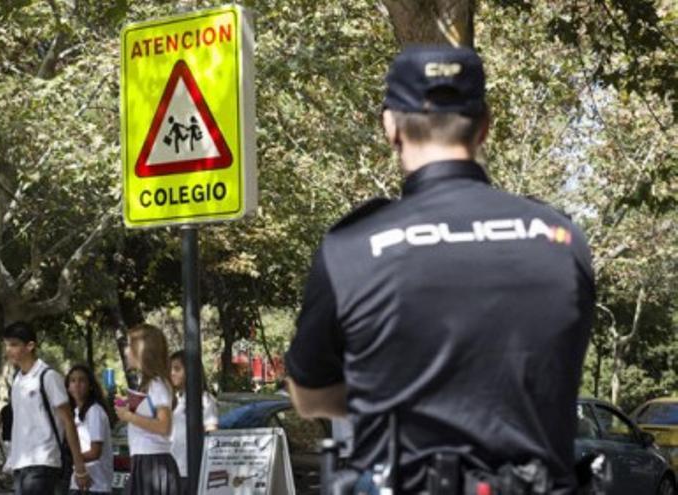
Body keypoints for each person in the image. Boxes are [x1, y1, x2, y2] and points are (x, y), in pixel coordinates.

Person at [285, 45, 594, 494]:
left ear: (390, 126)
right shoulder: (561, 241)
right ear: (485, 125)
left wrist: (387, 396)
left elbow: (308, 395)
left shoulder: (351, 248)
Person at [2, 321, 91, 494]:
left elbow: (68, 421)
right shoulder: (17, 380)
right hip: (20, 463)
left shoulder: (48, 377)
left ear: (30, 346)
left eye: (14, 345)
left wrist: (79, 467)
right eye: (6, 345)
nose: (8, 350)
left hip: (43, 462)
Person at [115, 324, 181, 495]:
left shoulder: (156, 384)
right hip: (145, 461)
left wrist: (128, 416)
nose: (126, 351)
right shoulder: (150, 383)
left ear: (141, 349)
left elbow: (163, 426)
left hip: (152, 462)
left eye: (129, 345)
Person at [169, 350, 218, 493]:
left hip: (191, 470)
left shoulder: (205, 400)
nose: (172, 373)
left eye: (177, 369)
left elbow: (211, 434)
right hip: (171, 469)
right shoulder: (172, 399)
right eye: (170, 369)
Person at [66, 364, 114, 495]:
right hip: (78, 481)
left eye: (82, 380)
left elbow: (95, 452)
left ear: (91, 386)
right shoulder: (74, 412)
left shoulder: (94, 411)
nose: (77, 384)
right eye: (73, 380)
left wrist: (71, 459)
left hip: (96, 485)